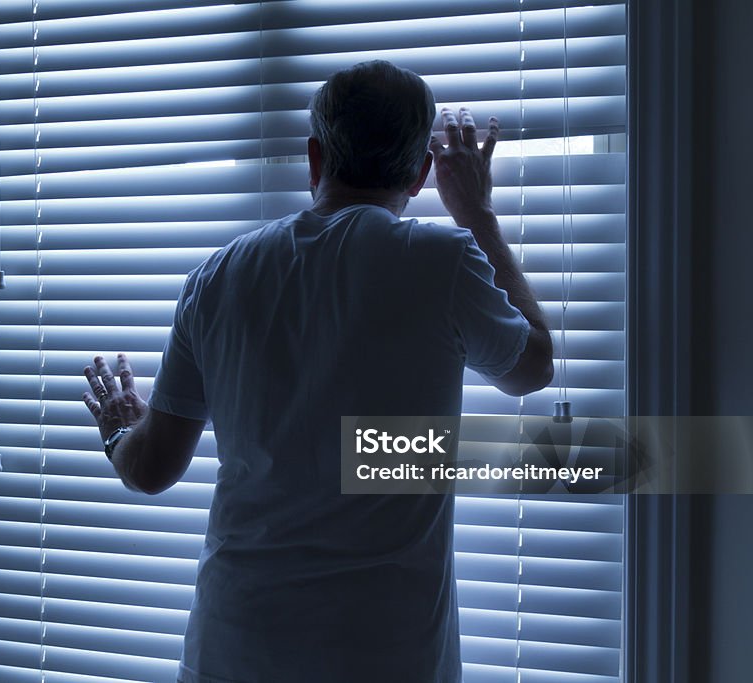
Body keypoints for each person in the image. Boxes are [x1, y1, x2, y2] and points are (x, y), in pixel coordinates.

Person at [82, 60, 553, 683]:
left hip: (234, 647)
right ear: (419, 176)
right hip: (386, 655)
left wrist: (120, 428)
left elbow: (150, 470)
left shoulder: (216, 278)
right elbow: (532, 368)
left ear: (314, 158)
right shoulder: (439, 262)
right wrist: (477, 214)